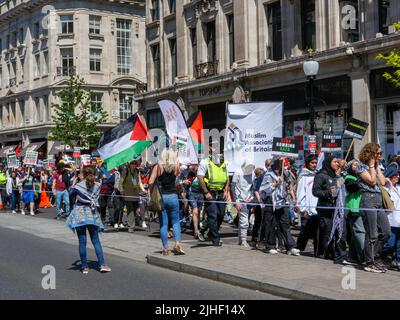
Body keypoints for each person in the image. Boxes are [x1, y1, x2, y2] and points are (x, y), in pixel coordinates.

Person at [66, 166, 111, 274]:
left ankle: (85, 266)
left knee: (82, 242)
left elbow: (71, 195)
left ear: (83, 174)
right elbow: (107, 177)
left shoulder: (78, 186)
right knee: (95, 240)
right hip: (92, 213)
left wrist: (74, 183)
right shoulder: (98, 185)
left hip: (80, 213)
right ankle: (102, 264)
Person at [356, 143, 391, 273]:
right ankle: (369, 262)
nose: (380, 156)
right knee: (372, 233)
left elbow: (381, 182)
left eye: (381, 153)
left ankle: (373, 255)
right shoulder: (360, 167)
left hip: (377, 199)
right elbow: (371, 181)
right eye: (378, 153)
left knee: (386, 231)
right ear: (371, 153)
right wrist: (371, 165)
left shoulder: (376, 166)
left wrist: (376, 167)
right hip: (367, 199)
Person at [148, 149, 185, 256]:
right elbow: (177, 181)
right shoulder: (176, 166)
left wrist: (150, 191)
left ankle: (165, 248)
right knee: (175, 222)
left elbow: (150, 182)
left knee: (163, 224)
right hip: (173, 196)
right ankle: (177, 243)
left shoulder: (158, 167)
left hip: (162, 197)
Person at [259, 158, 299, 256]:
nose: (282, 164)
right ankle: (270, 245)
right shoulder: (268, 174)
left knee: (285, 223)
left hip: (283, 201)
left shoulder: (285, 173)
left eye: (283, 162)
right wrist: (276, 184)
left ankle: (290, 246)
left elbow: (290, 184)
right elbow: (264, 189)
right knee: (271, 223)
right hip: (271, 201)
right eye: (280, 162)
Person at [312, 156, 347, 264]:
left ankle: (337, 255)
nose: (337, 163)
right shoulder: (321, 175)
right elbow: (315, 191)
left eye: (338, 162)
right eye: (335, 162)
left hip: (337, 209)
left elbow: (340, 190)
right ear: (328, 163)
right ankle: (323, 253)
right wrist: (327, 193)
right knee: (326, 232)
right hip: (326, 208)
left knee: (339, 232)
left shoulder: (338, 177)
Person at [198, 141, 230, 247]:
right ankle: (215, 239)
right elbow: (200, 178)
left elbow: (227, 177)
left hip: (221, 193)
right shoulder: (205, 162)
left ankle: (207, 230)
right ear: (210, 148)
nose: (217, 148)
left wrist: (226, 190)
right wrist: (206, 192)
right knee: (213, 216)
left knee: (220, 215)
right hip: (210, 192)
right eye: (214, 146)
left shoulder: (223, 161)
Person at [296, 155, 319, 256]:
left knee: (316, 232)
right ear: (307, 163)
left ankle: (318, 251)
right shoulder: (303, 176)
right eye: (312, 163)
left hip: (317, 208)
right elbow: (300, 193)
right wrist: (303, 209)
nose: (314, 165)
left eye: (315, 163)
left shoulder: (317, 175)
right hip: (307, 209)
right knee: (305, 230)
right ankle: (298, 247)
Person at [344, 160, 365, 265]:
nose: (357, 166)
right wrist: (362, 178)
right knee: (360, 232)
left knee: (355, 234)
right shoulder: (348, 178)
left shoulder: (358, 177)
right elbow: (352, 188)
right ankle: (363, 257)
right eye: (355, 164)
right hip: (354, 208)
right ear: (349, 167)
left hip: (362, 208)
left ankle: (352, 256)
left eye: (358, 164)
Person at [232, 160, 255, 248]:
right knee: (244, 221)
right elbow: (233, 187)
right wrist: (236, 201)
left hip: (248, 199)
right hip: (240, 200)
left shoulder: (252, 174)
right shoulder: (237, 172)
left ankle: (241, 240)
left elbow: (252, 187)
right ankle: (243, 240)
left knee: (243, 220)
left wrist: (252, 197)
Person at [120, 157, 147, 233]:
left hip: (135, 193)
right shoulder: (126, 171)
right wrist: (121, 190)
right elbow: (121, 182)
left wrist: (143, 190)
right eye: (132, 163)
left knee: (135, 210)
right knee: (130, 210)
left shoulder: (137, 171)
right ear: (129, 164)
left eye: (135, 163)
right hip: (128, 193)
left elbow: (139, 182)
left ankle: (132, 224)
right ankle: (130, 226)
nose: (134, 165)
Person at [382, 166, 400, 271]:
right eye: (395, 175)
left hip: (399, 221)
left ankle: (398, 262)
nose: (398, 176)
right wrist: (387, 183)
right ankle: (379, 257)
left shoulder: (399, 187)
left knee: (399, 245)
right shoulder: (385, 189)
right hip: (391, 221)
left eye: (398, 175)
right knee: (390, 243)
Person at [187, 164, 205, 241]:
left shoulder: (204, 174)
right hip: (192, 194)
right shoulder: (191, 174)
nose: (197, 168)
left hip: (200, 194)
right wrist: (187, 182)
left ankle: (197, 225)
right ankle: (196, 230)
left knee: (199, 211)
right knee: (195, 211)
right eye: (196, 167)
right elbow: (188, 182)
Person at [250, 167, 266, 245]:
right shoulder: (256, 182)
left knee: (261, 221)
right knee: (258, 222)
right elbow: (255, 193)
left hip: (263, 203)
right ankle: (255, 238)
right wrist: (253, 206)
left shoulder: (263, 181)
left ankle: (258, 238)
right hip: (258, 203)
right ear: (259, 174)